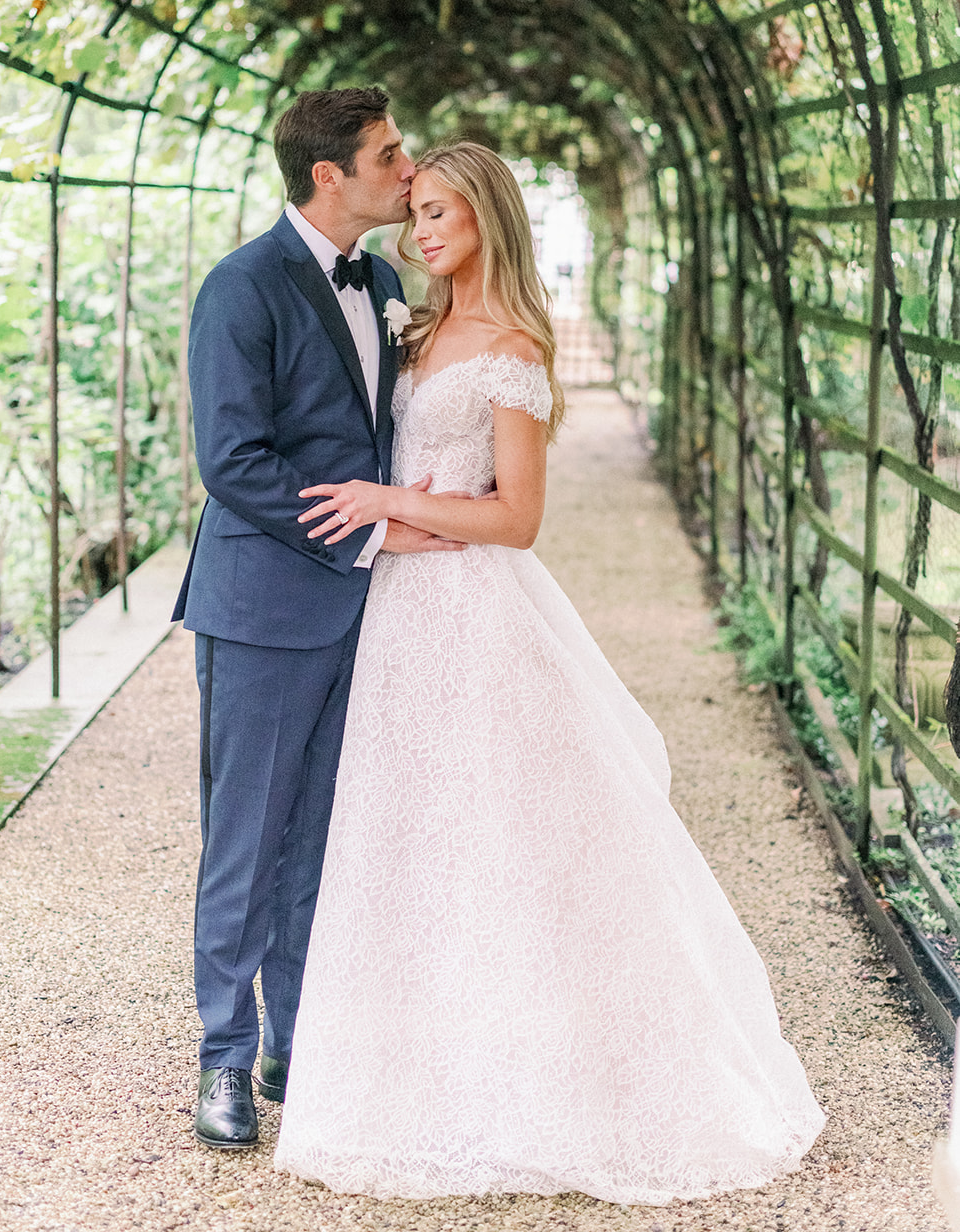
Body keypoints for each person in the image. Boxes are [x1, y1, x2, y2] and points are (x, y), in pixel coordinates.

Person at [273, 142, 825, 1203]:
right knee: (405, 833)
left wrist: (391, 503)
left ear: (488, 217)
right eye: (416, 213)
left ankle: (538, 1075)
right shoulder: (412, 327)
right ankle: (414, 1068)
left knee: (495, 834)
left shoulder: (510, 347)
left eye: (441, 212)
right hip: (397, 615)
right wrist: (383, 518)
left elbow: (517, 518)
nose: (421, 231)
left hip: (472, 613)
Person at [172, 88, 464, 1150]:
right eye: (390, 155)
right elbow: (233, 461)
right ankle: (222, 1056)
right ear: (328, 175)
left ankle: (296, 1043)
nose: (408, 169)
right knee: (245, 838)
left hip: (368, 613)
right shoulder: (239, 287)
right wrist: (372, 536)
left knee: (325, 840)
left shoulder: (382, 282)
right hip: (262, 606)